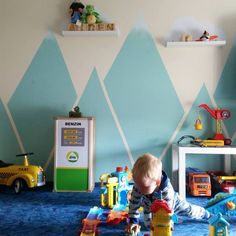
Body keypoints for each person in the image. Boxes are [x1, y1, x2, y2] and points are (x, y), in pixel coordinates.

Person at [125, 153, 211, 234]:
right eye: (137, 184)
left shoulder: (167, 192)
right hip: (148, 203)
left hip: (172, 205)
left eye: (144, 187)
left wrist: (166, 227)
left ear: (157, 182)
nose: (140, 189)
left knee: (190, 211)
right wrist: (133, 222)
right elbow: (133, 204)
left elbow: (168, 214)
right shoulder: (139, 186)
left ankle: (204, 213)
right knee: (148, 226)